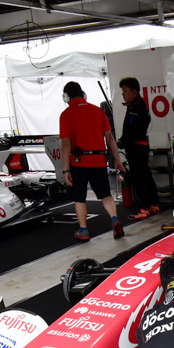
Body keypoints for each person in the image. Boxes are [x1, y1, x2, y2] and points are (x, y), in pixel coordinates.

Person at [58, 81, 127, 241]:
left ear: (66, 97)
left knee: (79, 197)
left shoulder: (66, 114)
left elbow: (66, 144)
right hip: (99, 161)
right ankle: (114, 219)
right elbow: (110, 139)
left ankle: (83, 230)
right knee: (105, 194)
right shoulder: (98, 111)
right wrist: (117, 160)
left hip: (78, 162)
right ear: (83, 94)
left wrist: (65, 169)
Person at [119, 77, 160, 221]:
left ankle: (144, 208)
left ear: (134, 91)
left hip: (136, 147)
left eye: (125, 91)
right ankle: (154, 204)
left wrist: (122, 141)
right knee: (146, 175)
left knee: (139, 178)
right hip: (139, 145)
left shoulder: (136, 108)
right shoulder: (137, 105)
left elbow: (132, 129)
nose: (123, 94)